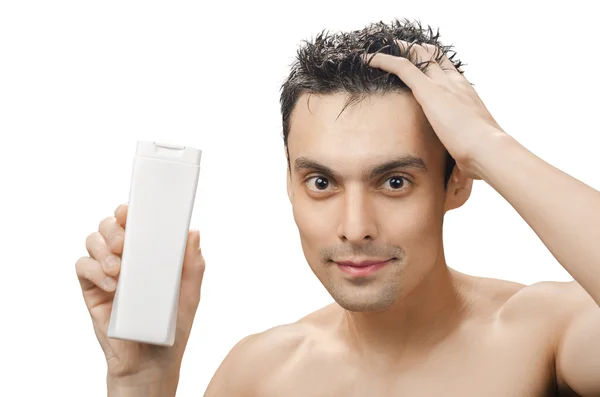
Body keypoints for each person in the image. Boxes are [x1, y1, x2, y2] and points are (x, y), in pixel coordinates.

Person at [76, 18, 600, 396]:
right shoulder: (259, 375)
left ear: (456, 182)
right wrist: (140, 382)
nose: (354, 228)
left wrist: (489, 145)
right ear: (289, 183)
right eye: (322, 181)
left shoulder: (548, 333)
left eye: (394, 181)